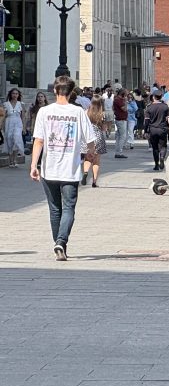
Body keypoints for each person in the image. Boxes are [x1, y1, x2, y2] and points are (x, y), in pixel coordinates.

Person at [29, 76, 98, 261]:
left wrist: (34, 165)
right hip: (70, 168)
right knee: (68, 208)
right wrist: (90, 154)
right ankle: (61, 242)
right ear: (72, 92)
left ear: (55, 91)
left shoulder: (45, 111)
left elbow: (39, 141)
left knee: (54, 209)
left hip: (49, 167)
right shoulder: (78, 112)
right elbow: (90, 139)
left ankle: (58, 244)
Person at [143, 91, 169, 171]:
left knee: (155, 147)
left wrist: (145, 131)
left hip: (153, 130)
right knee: (163, 146)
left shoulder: (149, 107)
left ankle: (156, 164)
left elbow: (146, 121)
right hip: (162, 129)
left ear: (153, 97)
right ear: (161, 97)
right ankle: (162, 157)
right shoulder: (165, 107)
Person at [82, 99, 107, 187]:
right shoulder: (102, 114)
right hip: (98, 137)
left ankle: (85, 173)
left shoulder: (86, 112)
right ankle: (94, 182)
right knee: (96, 161)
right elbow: (104, 129)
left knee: (88, 159)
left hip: (88, 137)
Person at [3, 88, 26, 165]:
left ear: (18, 95)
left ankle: (15, 159)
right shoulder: (6, 104)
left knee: (17, 139)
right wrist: (1, 125)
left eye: (16, 93)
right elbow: (3, 116)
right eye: (13, 93)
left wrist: (24, 127)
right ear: (10, 94)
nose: (15, 95)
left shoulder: (21, 104)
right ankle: (10, 160)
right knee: (9, 140)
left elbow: (23, 117)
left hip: (18, 123)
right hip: (8, 122)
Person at [112, 88, 129, 158]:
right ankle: (119, 152)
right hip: (121, 120)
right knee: (123, 136)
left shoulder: (118, 100)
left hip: (121, 119)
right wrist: (126, 102)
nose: (126, 96)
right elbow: (124, 109)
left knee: (119, 136)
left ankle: (118, 151)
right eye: (125, 94)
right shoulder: (118, 100)